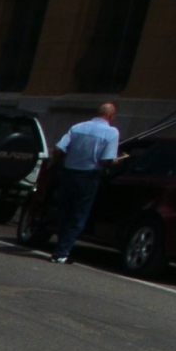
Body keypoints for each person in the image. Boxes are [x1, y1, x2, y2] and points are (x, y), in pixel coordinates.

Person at [52, 101, 121, 263]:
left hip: (68, 173)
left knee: (65, 212)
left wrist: (57, 164)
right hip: (88, 176)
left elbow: (58, 148)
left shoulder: (77, 127)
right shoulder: (111, 132)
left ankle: (61, 246)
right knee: (78, 216)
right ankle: (62, 251)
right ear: (111, 116)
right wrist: (115, 162)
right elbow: (106, 160)